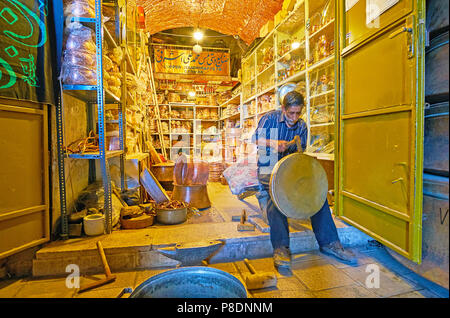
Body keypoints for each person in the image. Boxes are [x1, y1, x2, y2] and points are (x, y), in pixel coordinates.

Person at [252, 90, 357, 270]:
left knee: (315, 194)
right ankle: (281, 248)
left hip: (289, 167)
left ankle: (329, 243)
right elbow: (255, 139)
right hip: (268, 164)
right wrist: (274, 144)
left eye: (298, 113)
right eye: (291, 113)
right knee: (275, 197)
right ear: (283, 108)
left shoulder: (302, 126)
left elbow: (300, 156)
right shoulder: (269, 119)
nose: (294, 117)